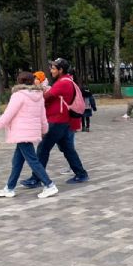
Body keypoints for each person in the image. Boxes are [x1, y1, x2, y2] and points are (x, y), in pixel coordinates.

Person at [0, 72, 58, 199]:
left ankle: (50, 185)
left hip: (22, 133)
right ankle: (9, 188)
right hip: (29, 132)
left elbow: (7, 116)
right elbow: (43, 117)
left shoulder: (18, 96)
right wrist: (44, 130)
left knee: (32, 160)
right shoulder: (39, 95)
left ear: (19, 82)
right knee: (17, 162)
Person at [20, 58, 89, 187]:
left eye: (53, 68)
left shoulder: (63, 83)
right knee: (68, 149)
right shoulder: (66, 81)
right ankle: (81, 174)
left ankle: (36, 178)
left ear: (60, 70)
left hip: (57, 121)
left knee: (43, 149)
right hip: (63, 121)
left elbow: (45, 97)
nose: (51, 71)